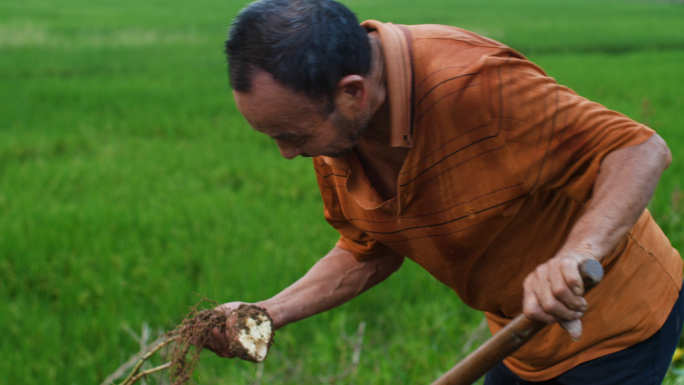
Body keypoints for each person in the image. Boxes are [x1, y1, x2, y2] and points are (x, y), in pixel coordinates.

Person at [208, 0, 684, 383]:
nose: (287, 153)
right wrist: (269, 313)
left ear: (352, 92)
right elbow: (367, 251)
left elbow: (638, 150)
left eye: (293, 136)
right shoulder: (338, 135)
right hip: (518, 335)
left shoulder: (477, 85)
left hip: (615, 326)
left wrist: (573, 256)